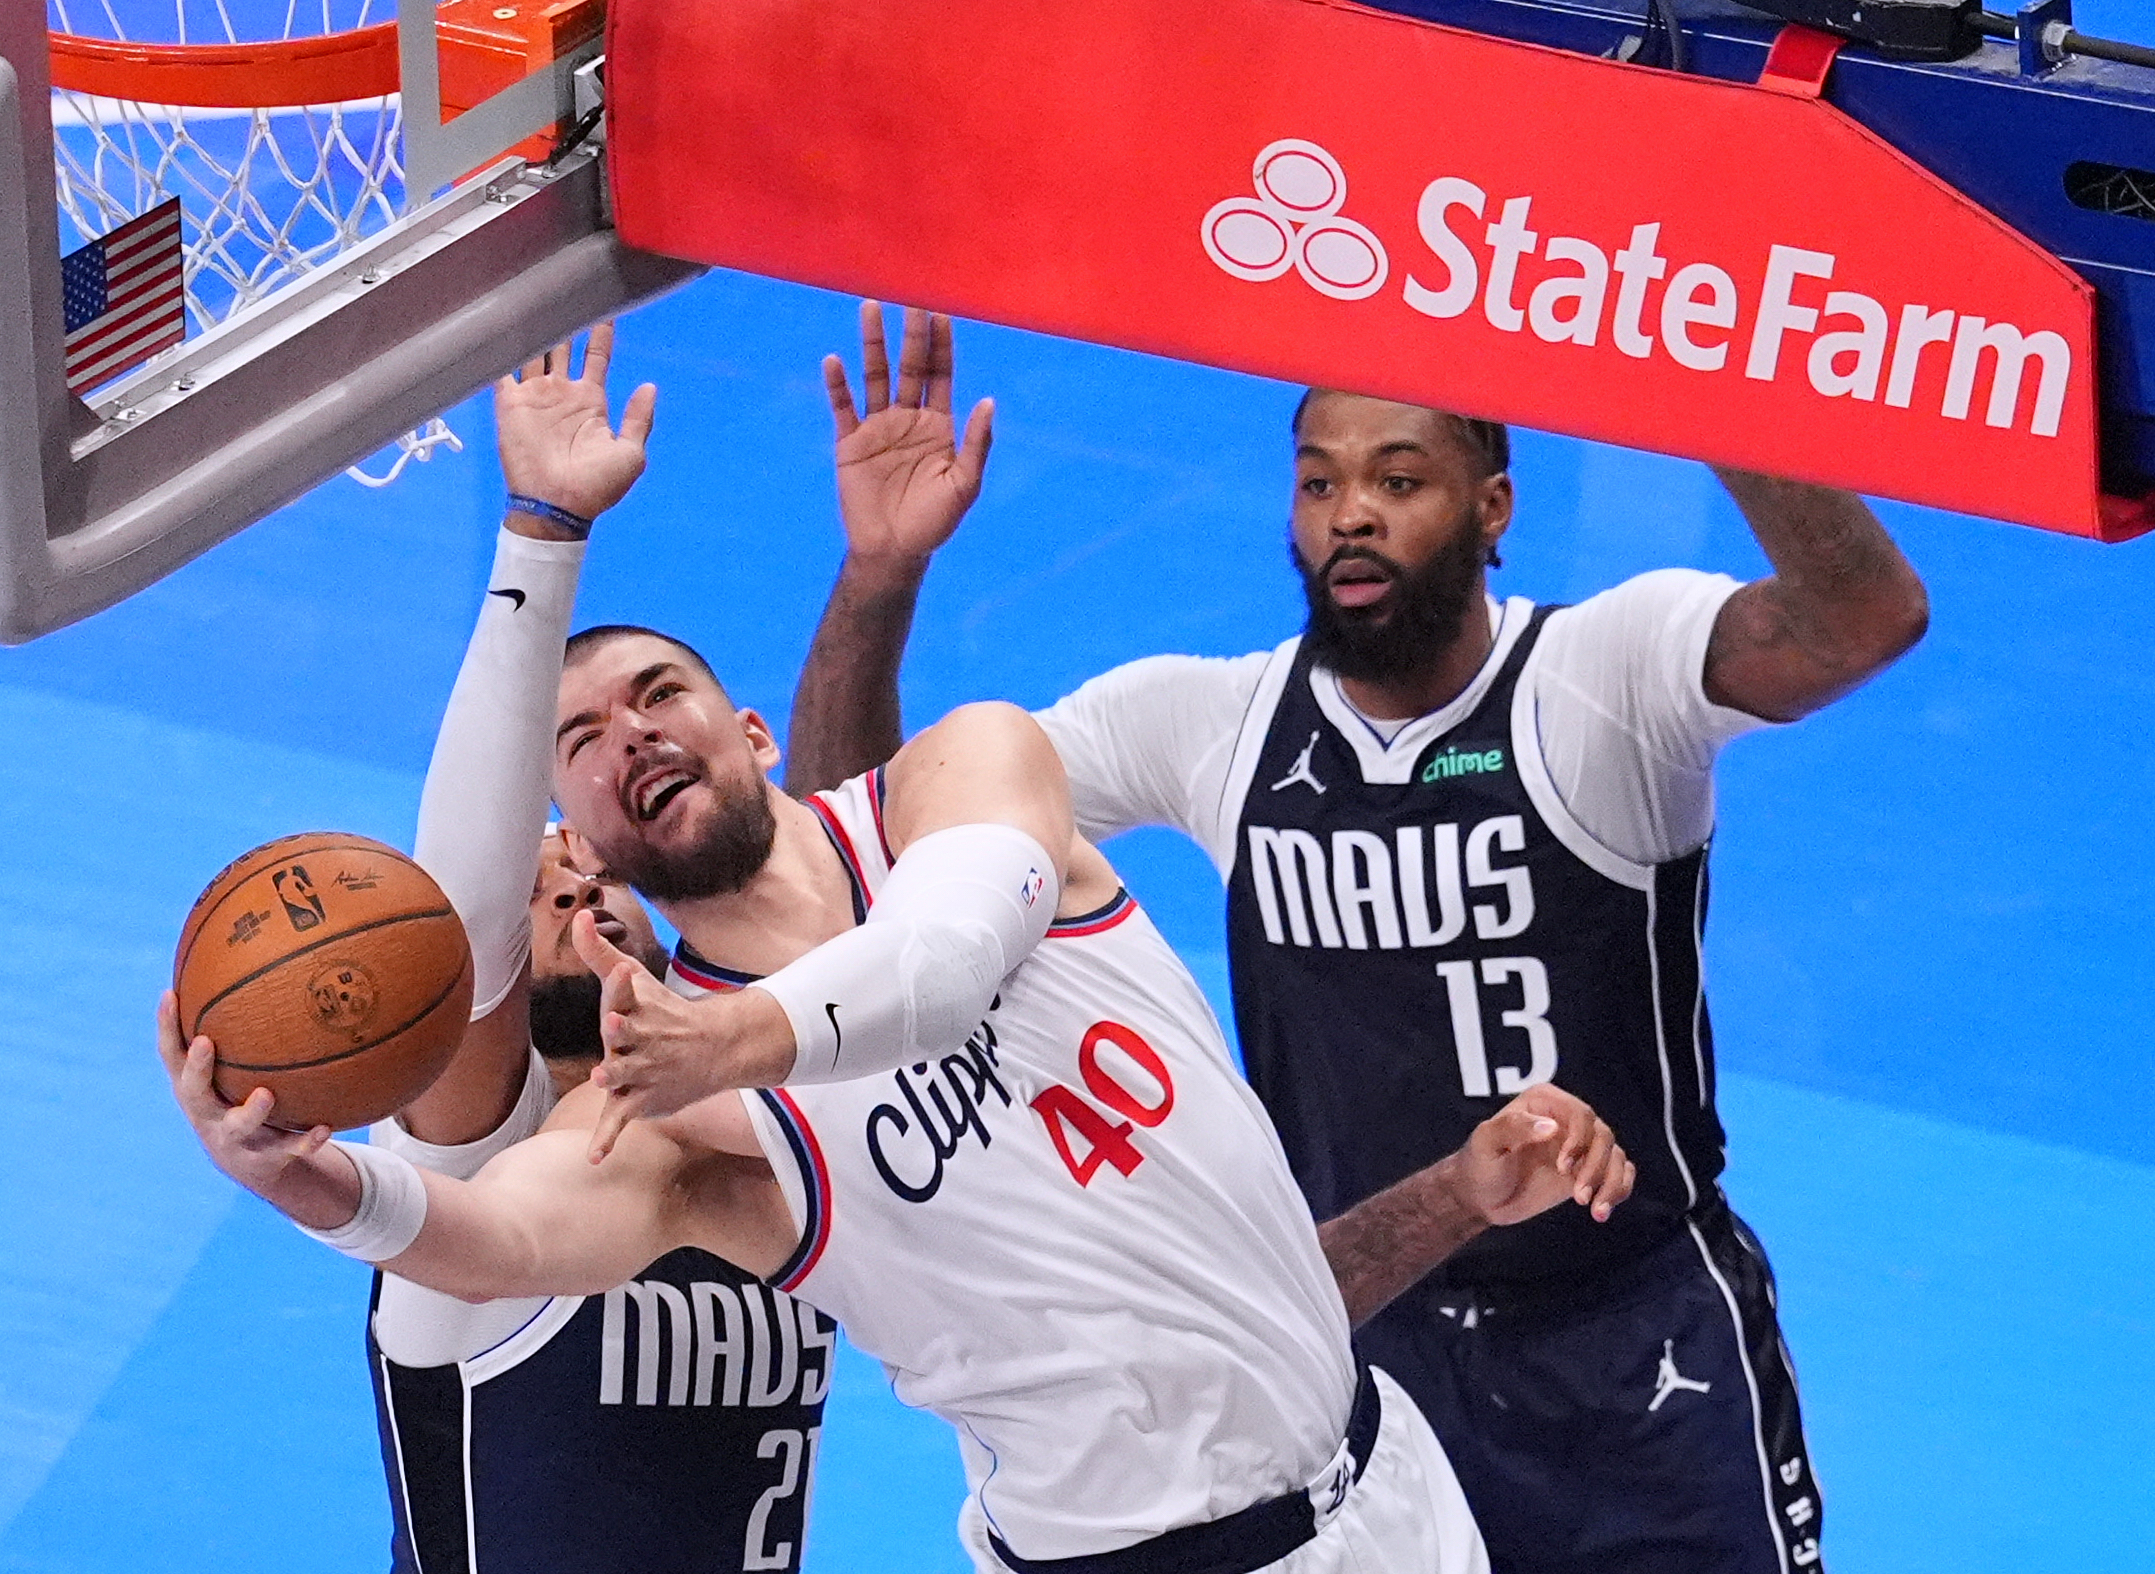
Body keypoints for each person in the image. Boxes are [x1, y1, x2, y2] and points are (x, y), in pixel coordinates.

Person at [158, 326, 1639, 1574]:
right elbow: (487, 1229)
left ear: (748, 730)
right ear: (583, 845)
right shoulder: (684, 1133)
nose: (629, 739)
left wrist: (1451, 1192)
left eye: (658, 693)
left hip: (1393, 1493)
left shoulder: (966, 775)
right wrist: (292, 1173)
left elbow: (953, 963)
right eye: (581, 750)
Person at [785, 304, 1931, 1574]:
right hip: (1350, 1346)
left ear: (1493, 506)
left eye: (1399, 479)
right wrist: (878, 578)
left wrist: (1711, 390)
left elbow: (1861, 620)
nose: (1352, 515)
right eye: (1320, 480)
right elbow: (869, 855)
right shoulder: (1212, 720)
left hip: (1630, 1341)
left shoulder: (1605, 672)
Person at [363, 330, 832, 1574]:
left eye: (589, 864)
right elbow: (457, 921)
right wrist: (539, 533)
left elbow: (837, 901)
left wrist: (879, 572)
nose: (571, 880)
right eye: (540, 886)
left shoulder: (766, 1128)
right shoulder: (477, 1183)